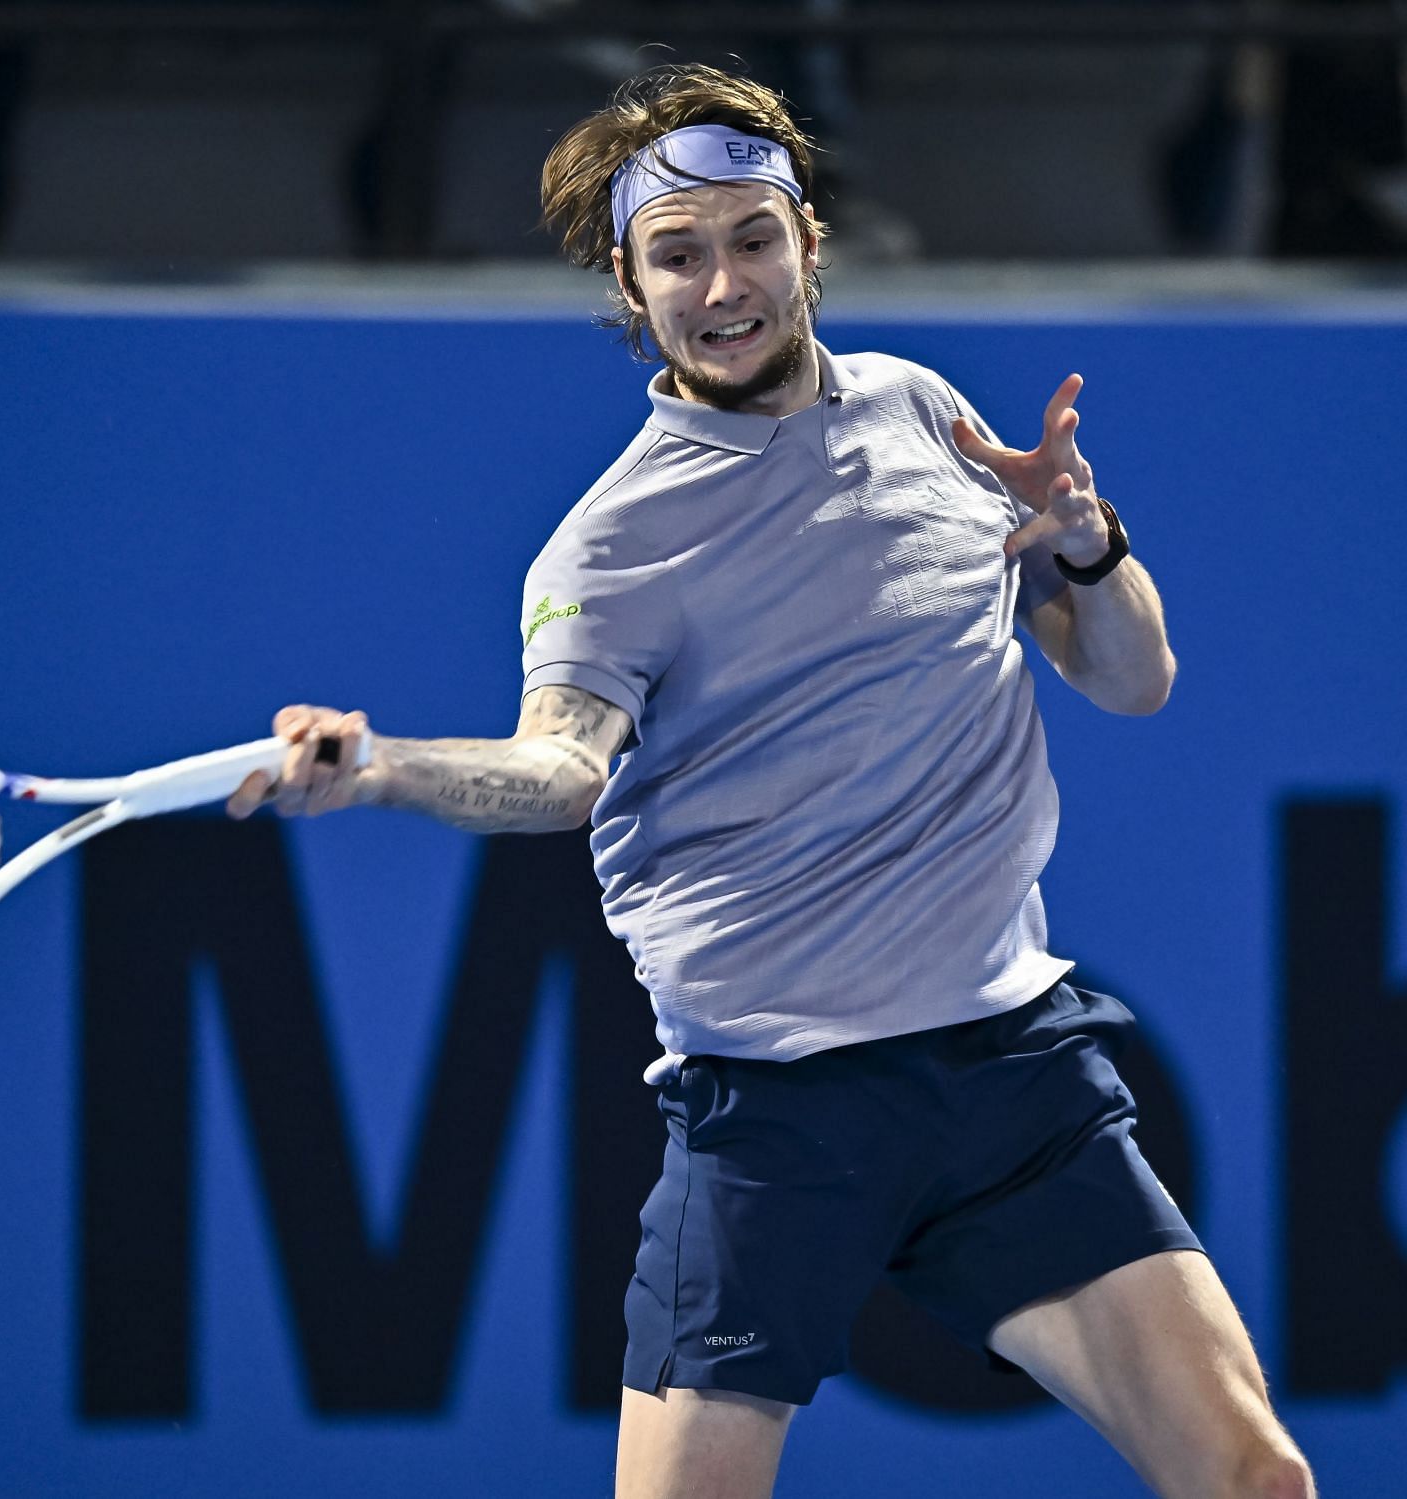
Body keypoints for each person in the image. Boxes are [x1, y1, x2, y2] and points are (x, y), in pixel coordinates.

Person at [226, 63, 1314, 1499]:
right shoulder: (608, 551)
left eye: (752, 238)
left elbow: (1133, 678)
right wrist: (384, 772)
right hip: (777, 1122)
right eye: (678, 255)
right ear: (630, 284)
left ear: (811, 243)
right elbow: (560, 770)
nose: (722, 282)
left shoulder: (926, 414)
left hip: (1012, 1085)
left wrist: (1083, 547)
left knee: (1256, 1481)